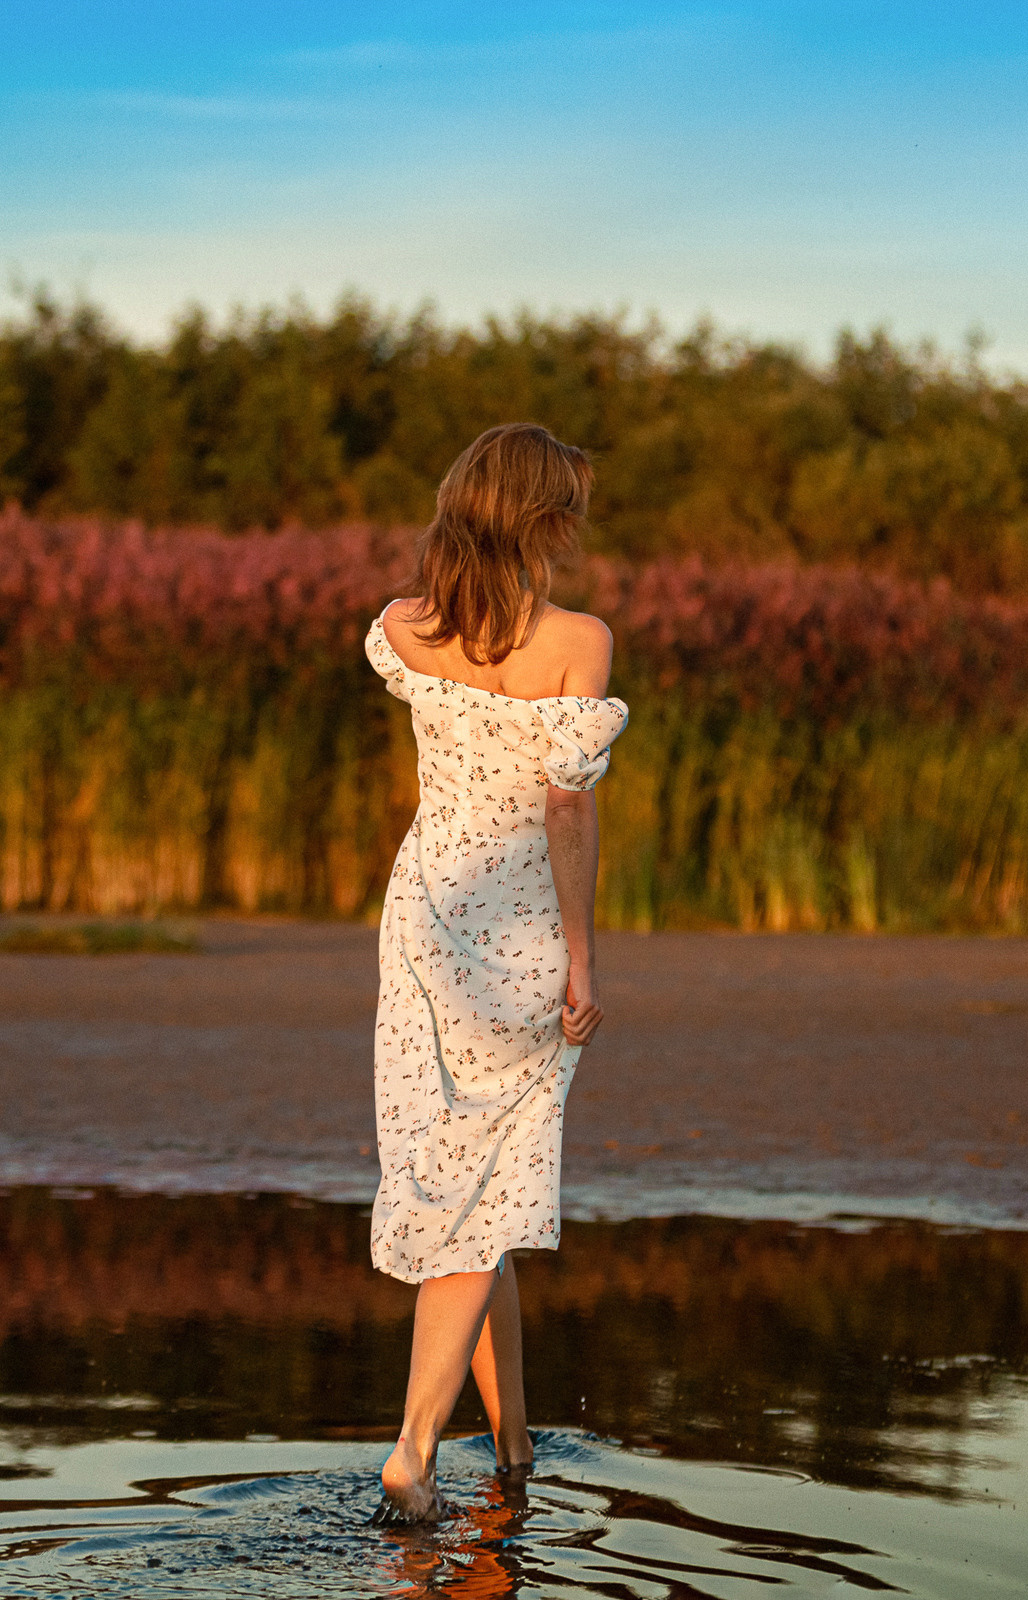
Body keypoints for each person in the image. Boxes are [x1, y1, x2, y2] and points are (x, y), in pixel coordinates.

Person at [363, 423, 629, 1524]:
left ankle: (512, 1441)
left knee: (480, 1181)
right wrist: (581, 955)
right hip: (517, 937)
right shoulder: (578, 640)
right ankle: (415, 1451)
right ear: (542, 518)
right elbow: (567, 807)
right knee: (479, 1199)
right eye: (566, 503)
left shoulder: (403, 626)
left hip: (425, 918)